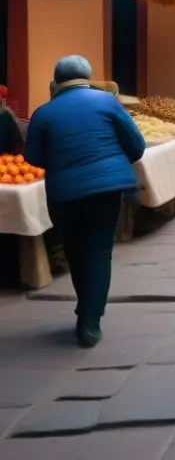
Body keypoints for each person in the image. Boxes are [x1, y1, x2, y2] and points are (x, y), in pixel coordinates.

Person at [24, 56, 146, 348]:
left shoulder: (43, 113)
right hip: (107, 189)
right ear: (89, 77)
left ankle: (86, 308)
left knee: (75, 250)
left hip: (65, 193)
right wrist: (111, 163)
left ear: (55, 82)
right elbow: (137, 145)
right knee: (99, 251)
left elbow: (33, 158)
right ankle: (90, 321)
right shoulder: (107, 102)